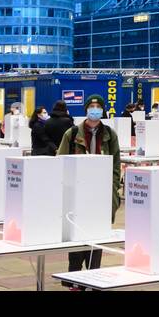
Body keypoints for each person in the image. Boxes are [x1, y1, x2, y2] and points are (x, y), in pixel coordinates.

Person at [57, 95, 121, 272]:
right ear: (86, 110)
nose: (95, 110)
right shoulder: (72, 134)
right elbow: (60, 162)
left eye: (98, 107)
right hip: (78, 193)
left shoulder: (110, 134)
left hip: (101, 193)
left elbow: (116, 165)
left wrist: (113, 188)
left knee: (98, 235)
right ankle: (75, 277)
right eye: (92, 106)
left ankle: (94, 276)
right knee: (77, 236)